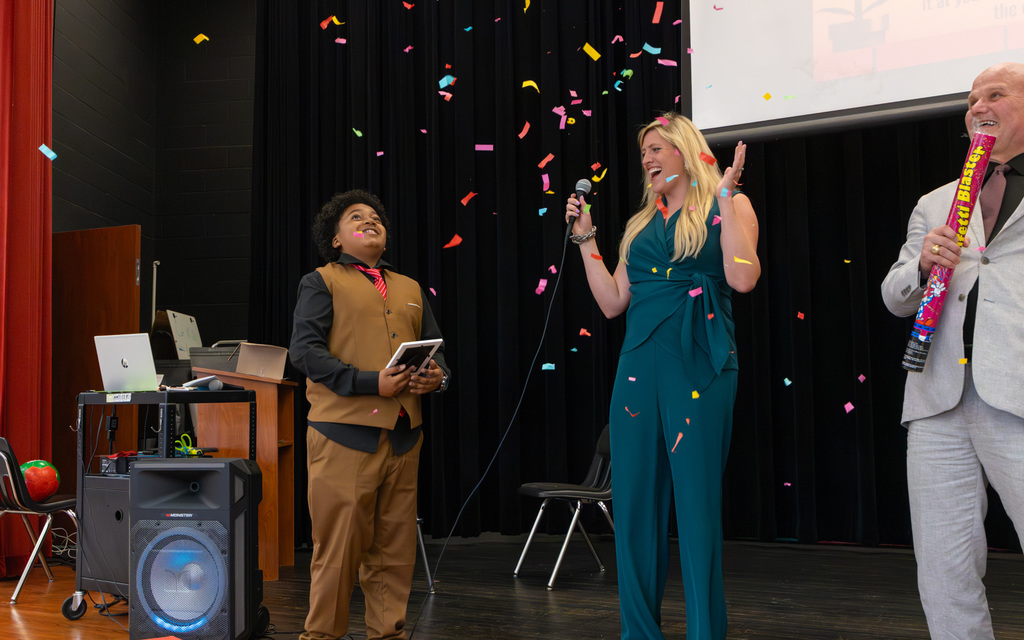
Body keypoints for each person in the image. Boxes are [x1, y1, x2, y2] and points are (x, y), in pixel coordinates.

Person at [565, 113, 760, 640]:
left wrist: (724, 197)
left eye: (657, 148)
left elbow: (742, 278)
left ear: (685, 151)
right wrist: (586, 240)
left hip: (700, 362)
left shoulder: (730, 203)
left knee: (696, 508)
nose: (648, 158)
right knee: (633, 507)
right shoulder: (639, 225)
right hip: (637, 368)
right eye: (644, 150)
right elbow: (611, 303)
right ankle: (639, 633)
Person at [881, 62, 1024, 639]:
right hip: (938, 400)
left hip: (1016, 393)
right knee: (944, 568)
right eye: (970, 100)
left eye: (995, 94)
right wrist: (920, 264)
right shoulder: (936, 202)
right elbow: (894, 297)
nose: (978, 107)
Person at [290, 189, 450, 640]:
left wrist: (436, 378)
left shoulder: (410, 288)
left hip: (404, 436)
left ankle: (388, 633)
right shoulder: (320, 281)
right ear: (335, 239)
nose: (370, 220)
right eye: (355, 217)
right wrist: (368, 382)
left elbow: (438, 351)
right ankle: (321, 635)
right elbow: (305, 352)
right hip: (344, 435)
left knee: (394, 552)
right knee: (337, 551)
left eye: (376, 216)